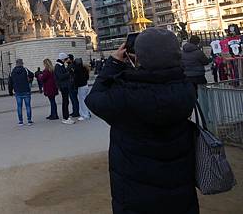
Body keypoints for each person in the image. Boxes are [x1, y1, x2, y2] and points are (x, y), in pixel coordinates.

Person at [85, 28, 198, 214]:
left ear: (138, 57)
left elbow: (94, 99)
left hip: (135, 199)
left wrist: (113, 64)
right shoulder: (186, 90)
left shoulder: (126, 96)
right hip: (180, 195)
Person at [10, 59, 34, 125]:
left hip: (17, 91)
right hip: (26, 90)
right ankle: (29, 120)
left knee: (19, 106)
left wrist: (10, 91)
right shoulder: (25, 70)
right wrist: (30, 80)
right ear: (22, 63)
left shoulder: (12, 71)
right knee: (28, 106)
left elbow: (10, 82)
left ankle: (21, 121)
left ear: (16, 63)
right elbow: (32, 74)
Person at [54, 53, 74, 125]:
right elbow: (60, 76)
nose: (66, 60)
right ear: (62, 59)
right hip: (63, 86)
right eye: (65, 59)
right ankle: (65, 117)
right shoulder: (58, 66)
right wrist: (68, 73)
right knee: (65, 102)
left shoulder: (60, 65)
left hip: (64, 85)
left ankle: (66, 116)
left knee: (66, 102)